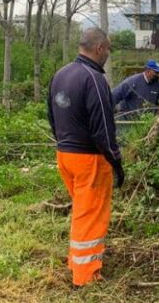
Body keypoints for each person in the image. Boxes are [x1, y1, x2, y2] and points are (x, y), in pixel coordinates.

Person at [47, 28, 124, 287]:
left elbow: (52, 116)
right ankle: (86, 276)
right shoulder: (94, 78)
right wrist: (116, 162)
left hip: (65, 155)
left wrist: (65, 143)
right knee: (90, 216)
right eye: (108, 50)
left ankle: (76, 262)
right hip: (89, 159)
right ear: (100, 48)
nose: (108, 56)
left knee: (81, 212)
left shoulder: (61, 75)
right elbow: (104, 126)